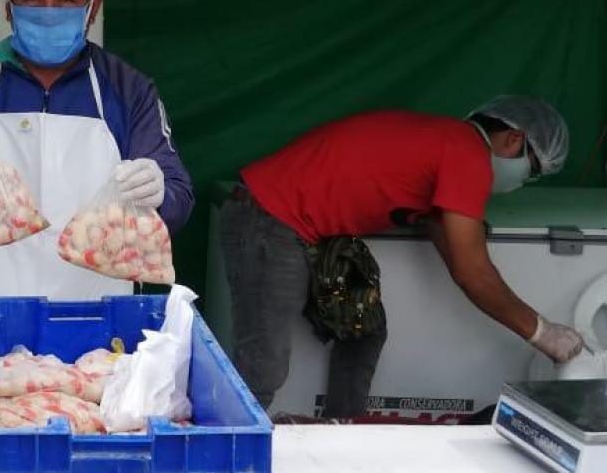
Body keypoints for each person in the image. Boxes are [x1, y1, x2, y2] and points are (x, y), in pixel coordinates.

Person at [0, 0, 194, 468]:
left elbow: (179, 199)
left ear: (93, 7)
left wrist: (159, 189)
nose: (49, 11)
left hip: (94, 323)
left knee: (88, 454)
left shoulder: (127, 88)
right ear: (7, 7)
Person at [222, 96, 585, 418]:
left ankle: (337, 436)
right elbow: (473, 273)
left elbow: (445, 236)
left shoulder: (445, 141)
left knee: (363, 330)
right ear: (515, 140)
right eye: (532, 170)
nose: (523, 181)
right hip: (271, 219)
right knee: (262, 368)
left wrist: (467, 238)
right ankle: (221, 453)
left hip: (294, 224)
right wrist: (541, 332)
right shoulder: (467, 153)